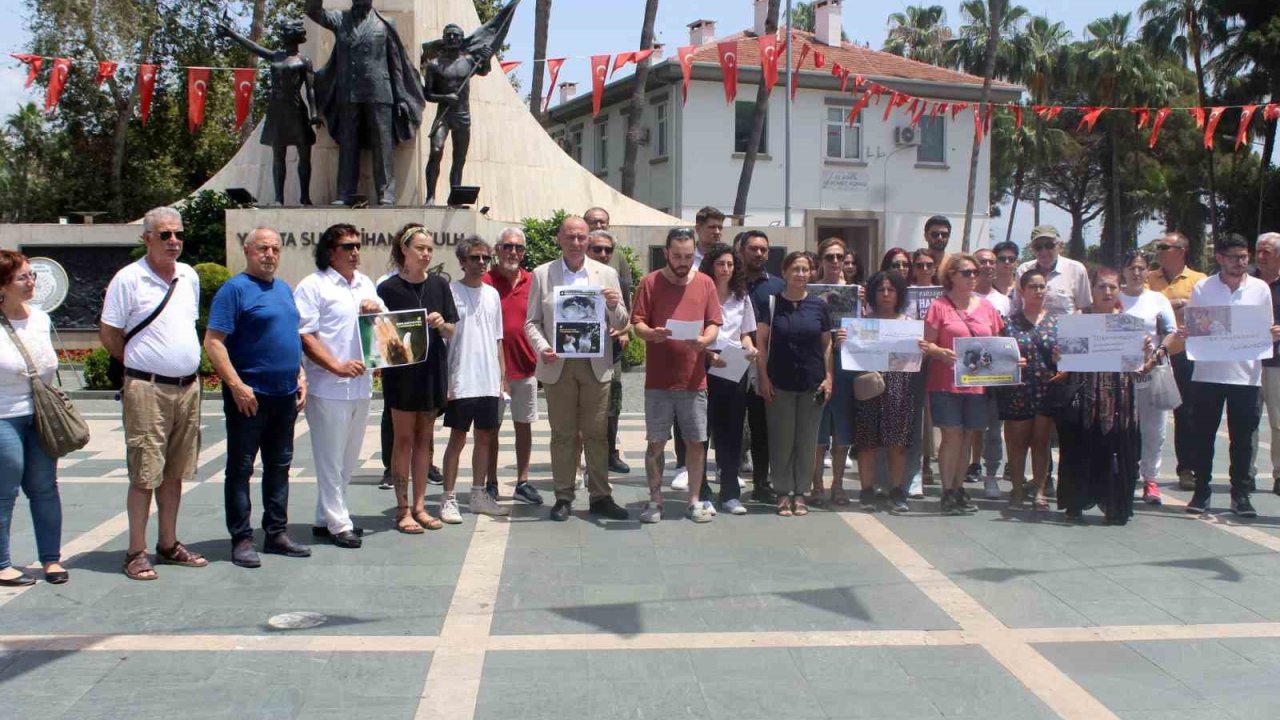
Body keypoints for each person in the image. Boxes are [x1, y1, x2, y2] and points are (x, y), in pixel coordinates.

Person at [101, 206, 207, 581]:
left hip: (187, 388)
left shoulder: (189, 276)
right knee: (145, 472)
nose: (174, 241)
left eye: (178, 234)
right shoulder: (129, 279)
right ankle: (135, 551)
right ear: (146, 238)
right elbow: (110, 333)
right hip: (146, 388)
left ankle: (168, 542)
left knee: (175, 472)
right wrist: (139, 365)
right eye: (165, 235)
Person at [204, 228, 311, 568]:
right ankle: (242, 539)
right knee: (241, 468)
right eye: (263, 248)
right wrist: (236, 385)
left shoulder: (283, 289)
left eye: (275, 249)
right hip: (248, 396)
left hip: (284, 395)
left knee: (279, 467)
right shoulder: (234, 290)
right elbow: (214, 342)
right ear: (248, 251)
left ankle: (276, 533)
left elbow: (289, 336)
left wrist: (301, 374)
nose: (270, 254)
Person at [525, 216, 631, 521]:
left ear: (588, 240)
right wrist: (543, 346)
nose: (576, 243)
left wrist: (612, 305)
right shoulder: (543, 274)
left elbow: (623, 322)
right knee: (563, 434)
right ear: (559, 238)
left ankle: (600, 496)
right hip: (558, 364)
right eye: (570, 237)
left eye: (581, 238)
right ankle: (563, 496)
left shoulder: (607, 273)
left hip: (595, 365)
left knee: (597, 433)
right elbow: (532, 321)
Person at [294, 223, 385, 548]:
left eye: (357, 245)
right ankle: (339, 522)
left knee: (349, 456)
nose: (355, 252)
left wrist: (375, 311)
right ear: (330, 251)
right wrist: (335, 365)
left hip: (360, 385)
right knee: (330, 457)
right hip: (328, 386)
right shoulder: (313, 286)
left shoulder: (365, 284)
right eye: (347, 246)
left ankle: (326, 515)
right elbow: (305, 334)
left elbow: (383, 329)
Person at [1183, 234, 1280, 517]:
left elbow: (1265, 327)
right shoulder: (1203, 287)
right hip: (1207, 374)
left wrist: (1273, 333)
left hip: (1246, 376)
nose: (1240, 263)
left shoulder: (1260, 288)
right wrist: (1189, 331)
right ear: (1220, 259)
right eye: (1234, 257)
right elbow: (1197, 324)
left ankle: (1241, 494)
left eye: (1243, 257)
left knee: (1243, 440)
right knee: (1203, 436)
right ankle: (1201, 492)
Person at [632, 228, 722, 523]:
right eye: (677, 256)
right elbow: (638, 324)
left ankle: (694, 500)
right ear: (666, 253)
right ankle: (655, 500)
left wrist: (706, 341)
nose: (683, 262)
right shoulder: (650, 282)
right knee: (656, 442)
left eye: (687, 256)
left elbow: (713, 323)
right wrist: (652, 334)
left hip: (694, 380)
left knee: (697, 442)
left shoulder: (706, 283)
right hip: (658, 381)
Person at [303, 0, 424, 205]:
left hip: (380, 92)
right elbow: (312, 11)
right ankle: (344, 194)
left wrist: (402, 96)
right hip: (348, 91)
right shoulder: (340, 19)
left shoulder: (386, 23)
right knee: (348, 144)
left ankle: (386, 194)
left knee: (383, 146)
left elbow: (395, 63)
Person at [377, 225, 456, 531]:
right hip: (402, 374)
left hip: (432, 370)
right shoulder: (387, 289)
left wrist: (441, 325)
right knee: (404, 439)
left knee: (426, 438)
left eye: (430, 249)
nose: (426, 254)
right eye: (420, 248)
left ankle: (421, 505)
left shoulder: (439, 285)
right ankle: (403, 508)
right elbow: (379, 335)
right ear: (404, 250)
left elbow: (453, 329)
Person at [1054, 267, 1147, 525]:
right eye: (1101, 287)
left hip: (1120, 403)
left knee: (1117, 453)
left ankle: (1115, 505)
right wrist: (1060, 355)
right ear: (1092, 290)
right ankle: (1076, 503)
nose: (1107, 292)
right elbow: (1066, 363)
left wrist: (1145, 354)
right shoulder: (1078, 320)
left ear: (1120, 290)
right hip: (1084, 401)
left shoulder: (1129, 323)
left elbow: (1139, 369)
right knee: (1079, 450)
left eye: (1112, 287)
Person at [921, 254, 1006, 514]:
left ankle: (958, 489)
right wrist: (939, 352)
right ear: (951, 276)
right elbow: (925, 344)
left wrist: (1012, 363)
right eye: (966, 272)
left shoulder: (988, 308)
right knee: (951, 436)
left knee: (969, 436)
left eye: (975, 272)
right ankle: (947, 490)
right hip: (945, 382)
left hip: (978, 385)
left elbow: (999, 343)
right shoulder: (939, 307)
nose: (972, 277)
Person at [0, 251, 64, 586]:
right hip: (4, 415)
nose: (31, 282)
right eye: (22, 277)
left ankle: (51, 559)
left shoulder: (40, 319)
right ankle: (2, 563)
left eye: (32, 275)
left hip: (40, 415)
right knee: (5, 489)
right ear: (3, 286)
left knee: (44, 487)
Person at [756, 252, 834, 517]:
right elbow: (761, 344)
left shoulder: (819, 306)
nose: (801, 274)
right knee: (782, 440)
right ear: (785, 272)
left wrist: (829, 377)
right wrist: (763, 378)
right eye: (796, 269)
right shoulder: (772, 303)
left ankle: (800, 492)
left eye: (805, 269)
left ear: (812, 273)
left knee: (807, 441)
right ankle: (782, 491)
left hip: (812, 382)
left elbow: (827, 344)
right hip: (780, 382)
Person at [216, 18, 321, 206]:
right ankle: (278, 197)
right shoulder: (276, 56)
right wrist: (231, 33)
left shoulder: (304, 61)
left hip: (296, 109)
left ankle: (305, 196)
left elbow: (311, 89)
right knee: (278, 156)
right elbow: (253, 47)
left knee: (304, 154)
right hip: (277, 111)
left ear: (294, 36)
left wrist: (314, 113)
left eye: (286, 32)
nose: (282, 35)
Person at [442, 237, 510, 519]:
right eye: (474, 258)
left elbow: (498, 338)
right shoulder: (450, 291)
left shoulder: (492, 294)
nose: (481, 263)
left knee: (485, 437)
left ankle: (478, 494)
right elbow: (443, 335)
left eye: (485, 257)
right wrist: (446, 381)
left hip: (488, 380)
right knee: (457, 439)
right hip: (460, 378)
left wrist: (501, 376)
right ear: (462, 261)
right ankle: (447, 498)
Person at [483, 227, 544, 505]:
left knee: (524, 426)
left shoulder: (533, 281)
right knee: (490, 429)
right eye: (507, 246)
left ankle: (523, 480)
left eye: (518, 247)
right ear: (497, 250)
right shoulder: (484, 281)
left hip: (526, 368)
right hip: (492, 372)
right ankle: (491, 482)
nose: (513, 252)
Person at [697, 243, 758, 516]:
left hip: (734, 364)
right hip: (704, 362)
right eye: (721, 264)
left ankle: (730, 492)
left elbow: (746, 332)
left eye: (730, 264)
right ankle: (701, 491)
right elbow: (693, 334)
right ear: (710, 265)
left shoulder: (741, 297)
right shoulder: (699, 293)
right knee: (701, 429)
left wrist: (750, 348)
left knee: (732, 431)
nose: (725, 269)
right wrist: (708, 354)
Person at [852, 270, 919, 514]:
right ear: (873, 293)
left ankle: (898, 491)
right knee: (867, 443)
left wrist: (921, 346)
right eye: (881, 289)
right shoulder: (863, 322)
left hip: (900, 386)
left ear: (900, 293)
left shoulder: (909, 324)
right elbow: (854, 355)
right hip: (870, 385)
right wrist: (844, 339)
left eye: (891, 289)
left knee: (897, 443)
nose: (887, 294)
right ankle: (867, 491)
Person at [1147, 231, 1207, 491]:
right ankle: (1142, 469)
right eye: (1158, 246)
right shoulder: (1148, 278)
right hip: (1151, 358)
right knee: (1146, 415)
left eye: (1164, 246)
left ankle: (1187, 469)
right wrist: (1177, 303)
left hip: (1185, 356)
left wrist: (1165, 306)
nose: (1158, 250)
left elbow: (1204, 314)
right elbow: (1145, 308)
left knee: (1187, 415)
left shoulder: (1200, 280)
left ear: (1181, 251)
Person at [1118, 249, 1177, 505]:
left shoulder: (1158, 300)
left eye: (1141, 268)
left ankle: (1150, 479)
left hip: (1152, 371)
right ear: (1123, 270)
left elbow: (1170, 332)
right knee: (1123, 428)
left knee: (1154, 429)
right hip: (1120, 375)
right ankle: (1125, 475)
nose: (1137, 272)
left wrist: (1155, 357)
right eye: (1132, 268)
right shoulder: (1114, 298)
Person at [998, 269, 1058, 510]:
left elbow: (1070, 357)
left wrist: (1060, 357)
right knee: (1017, 443)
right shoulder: (1009, 323)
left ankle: (1040, 489)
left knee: (1041, 443)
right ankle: (1017, 489)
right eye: (1033, 286)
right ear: (1021, 291)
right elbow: (997, 358)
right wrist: (1010, 363)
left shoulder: (1055, 322)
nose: (1038, 291)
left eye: (1042, 286)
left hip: (1047, 389)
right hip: (1018, 390)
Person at [810, 237, 855, 505]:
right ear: (821, 261)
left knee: (842, 430)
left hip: (846, 367)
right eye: (830, 257)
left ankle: (837, 485)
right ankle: (816, 484)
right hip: (818, 366)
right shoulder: (810, 292)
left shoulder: (856, 293)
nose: (836, 262)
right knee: (818, 431)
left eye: (840, 257)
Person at [740, 230, 784, 504]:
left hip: (765, 364)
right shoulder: (730, 281)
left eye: (764, 249)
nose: (759, 254)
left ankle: (761, 482)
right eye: (754, 248)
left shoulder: (778, 287)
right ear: (742, 250)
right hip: (730, 361)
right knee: (728, 424)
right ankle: (725, 477)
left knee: (761, 427)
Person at [585, 229, 632, 475]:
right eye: (597, 249)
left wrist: (624, 330)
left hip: (609, 351)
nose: (603, 254)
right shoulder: (572, 274)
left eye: (607, 250)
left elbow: (628, 308)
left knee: (611, 403)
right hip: (579, 352)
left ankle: (610, 453)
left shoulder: (617, 273)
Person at [970, 248, 1010, 497]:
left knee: (994, 429)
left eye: (991, 262)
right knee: (966, 429)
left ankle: (991, 476)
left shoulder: (1005, 300)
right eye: (982, 261)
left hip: (995, 376)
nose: (987, 266)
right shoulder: (962, 296)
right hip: (967, 374)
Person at [1014, 225, 1091, 317]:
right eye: (1038, 247)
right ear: (1032, 249)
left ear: (1060, 246)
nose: (1044, 251)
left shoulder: (1076, 269)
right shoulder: (1023, 270)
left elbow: (1084, 307)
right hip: (1030, 329)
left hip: (1065, 329)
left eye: (1049, 246)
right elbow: (1017, 306)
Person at [1254, 232, 1280, 496]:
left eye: (1267, 252)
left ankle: (1279, 473)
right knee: (1247, 421)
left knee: (1278, 422)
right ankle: (1245, 474)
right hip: (1247, 362)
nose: (1260, 257)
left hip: (1277, 363)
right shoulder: (1248, 282)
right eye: (1258, 251)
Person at [923, 215, 952, 280]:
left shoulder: (954, 263)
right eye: (935, 234)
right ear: (926, 236)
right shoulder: (917, 263)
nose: (940, 238)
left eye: (944, 234)